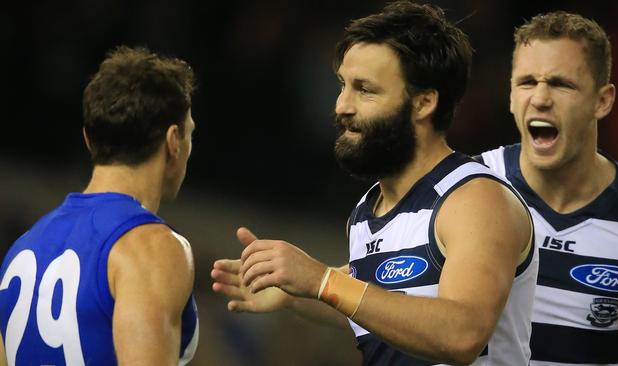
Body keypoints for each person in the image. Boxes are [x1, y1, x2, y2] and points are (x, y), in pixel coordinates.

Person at [212, 2, 538, 365]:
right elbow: (384, 309)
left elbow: (461, 334)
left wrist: (322, 282)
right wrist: (297, 294)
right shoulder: (367, 212)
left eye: (364, 90)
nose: (342, 106)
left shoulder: (474, 199)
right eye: (343, 86)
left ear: (424, 102)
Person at [0, 46, 198, 365]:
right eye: (190, 135)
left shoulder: (21, 251)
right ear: (174, 141)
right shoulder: (152, 248)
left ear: (88, 139)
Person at [476, 11, 618, 365]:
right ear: (510, 96)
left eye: (561, 84)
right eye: (526, 82)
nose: (540, 98)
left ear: (602, 101)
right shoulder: (464, 187)